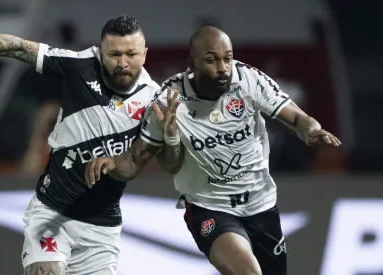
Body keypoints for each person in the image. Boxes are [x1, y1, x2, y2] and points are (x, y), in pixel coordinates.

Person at [84, 26, 341, 275]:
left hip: (261, 205)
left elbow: (298, 117)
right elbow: (137, 160)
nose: (222, 68)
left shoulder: (248, 79)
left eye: (227, 58)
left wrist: (311, 129)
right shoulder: (169, 100)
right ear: (192, 65)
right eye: (211, 60)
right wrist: (111, 163)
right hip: (210, 208)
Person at [0, 14, 161, 275]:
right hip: (53, 214)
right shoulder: (79, 66)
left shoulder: (154, 99)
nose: (123, 63)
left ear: (144, 54)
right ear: (101, 53)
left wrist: (169, 138)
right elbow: (19, 47)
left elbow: (143, 163)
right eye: (114, 54)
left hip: (102, 228)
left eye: (131, 54)